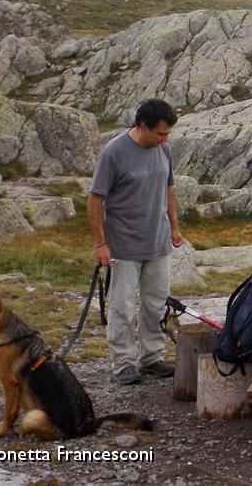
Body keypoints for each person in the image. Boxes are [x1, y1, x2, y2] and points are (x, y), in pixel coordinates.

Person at [87, 99, 183, 386]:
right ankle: (123, 363)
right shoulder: (114, 153)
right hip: (124, 244)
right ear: (143, 126)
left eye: (167, 134)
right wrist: (100, 244)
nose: (165, 139)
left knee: (155, 304)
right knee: (123, 307)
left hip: (158, 242)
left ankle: (152, 357)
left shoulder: (163, 149)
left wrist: (175, 228)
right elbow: (95, 199)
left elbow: (169, 189)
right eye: (161, 134)